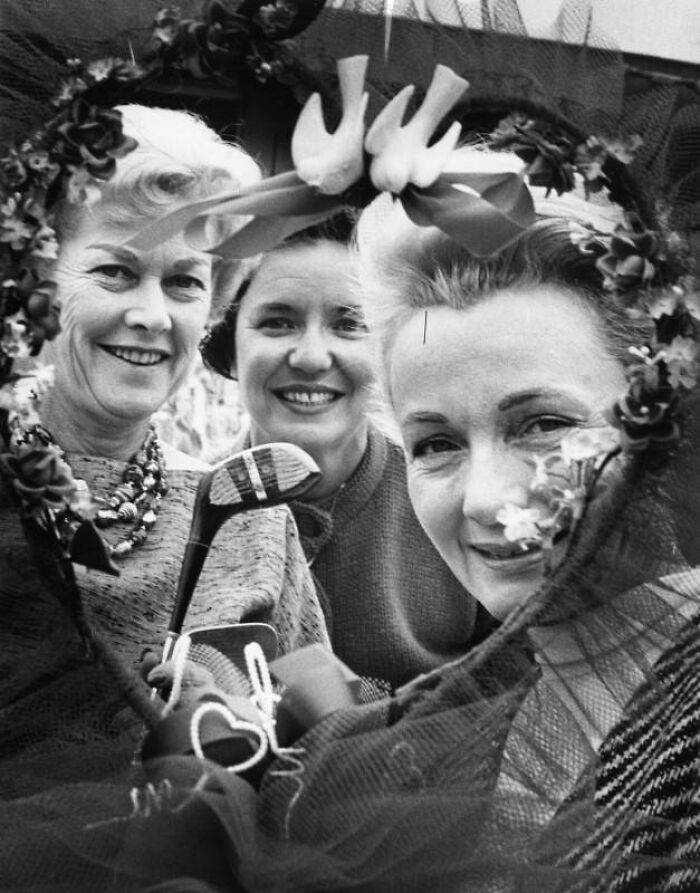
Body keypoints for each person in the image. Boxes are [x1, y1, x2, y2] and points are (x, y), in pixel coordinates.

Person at [0, 103, 330, 807]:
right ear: (36, 281)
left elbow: (323, 759)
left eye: (184, 281)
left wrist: (245, 727)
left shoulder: (250, 514)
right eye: (116, 272)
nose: (153, 314)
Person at [201, 216, 494, 693]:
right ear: (227, 346)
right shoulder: (192, 517)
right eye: (278, 323)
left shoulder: (458, 491)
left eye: (349, 323)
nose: (312, 357)